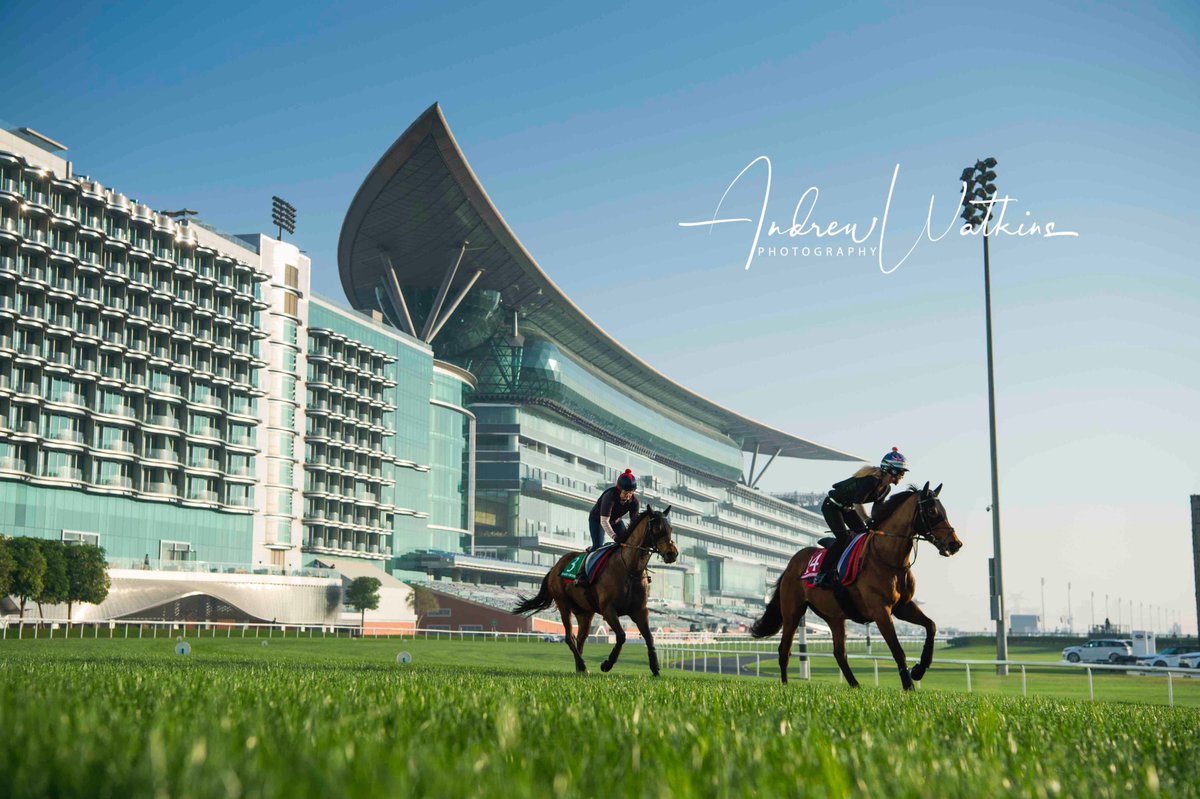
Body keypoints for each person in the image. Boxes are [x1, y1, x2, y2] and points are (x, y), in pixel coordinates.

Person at [812, 448, 908, 589]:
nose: (902, 476)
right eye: (901, 472)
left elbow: (877, 509)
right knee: (843, 538)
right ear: (892, 471)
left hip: (848, 509)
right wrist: (868, 520)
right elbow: (858, 503)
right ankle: (821, 574)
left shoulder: (886, 488)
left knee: (864, 535)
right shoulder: (871, 481)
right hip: (832, 506)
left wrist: (879, 524)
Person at [575, 470, 640, 587]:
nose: (628, 495)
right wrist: (615, 537)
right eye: (626, 492)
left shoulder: (634, 502)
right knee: (598, 546)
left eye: (631, 492)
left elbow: (634, 523)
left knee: (629, 546)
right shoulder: (609, 496)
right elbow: (604, 521)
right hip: (597, 520)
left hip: (616, 521)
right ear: (620, 489)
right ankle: (582, 574)